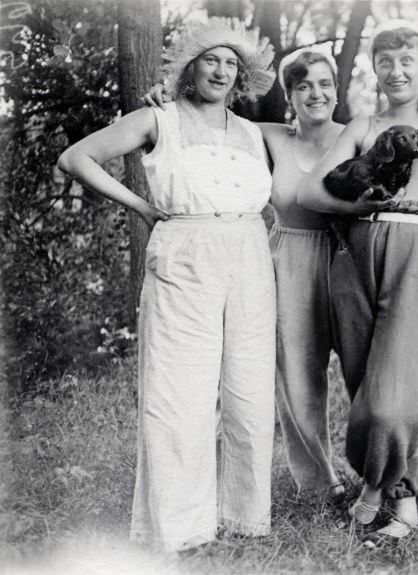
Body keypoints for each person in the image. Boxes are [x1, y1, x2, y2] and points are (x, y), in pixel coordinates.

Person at [143, 46, 418, 503]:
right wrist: (168, 100)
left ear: (337, 91)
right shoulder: (263, 135)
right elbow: (204, 123)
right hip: (290, 260)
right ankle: (321, 483)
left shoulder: (363, 135)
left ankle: (409, 476)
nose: (315, 93)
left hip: (350, 258)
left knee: (377, 372)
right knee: (298, 378)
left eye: (325, 84)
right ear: (288, 94)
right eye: (303, 85)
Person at [58, 18, 277, 553]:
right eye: (211, 60)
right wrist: (141, 207)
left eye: (231, 64)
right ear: (190, 68)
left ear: (242, 75)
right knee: (180, 390)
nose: (222, 71)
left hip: (248, 255)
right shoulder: (160, 120)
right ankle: (180, 525)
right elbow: (76, 157)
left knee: (249, 390)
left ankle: (244, 517)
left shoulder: (253, 132)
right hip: (185, 253)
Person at [299, 20, 418, 543]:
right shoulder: (361, 125)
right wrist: (357, 203)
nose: (396, 72)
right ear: (374, 69)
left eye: (407, 63)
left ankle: (387, 497)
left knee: (393, 394)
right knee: (362, 383)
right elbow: (310, 192)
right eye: (386, 62)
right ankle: (406, 484)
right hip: (353, 254)